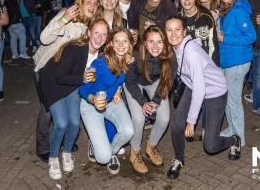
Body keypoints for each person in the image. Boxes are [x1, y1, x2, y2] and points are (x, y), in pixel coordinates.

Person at [164, 15, 241, 180]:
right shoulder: (172, 48)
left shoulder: (191, 53)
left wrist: (192, 120)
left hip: (214, 92)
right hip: (193, 87)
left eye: (177, 29)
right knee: (177, 126)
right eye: (169, 30)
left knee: (211, 146)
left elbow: (200, 88)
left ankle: (234, 140)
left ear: (184, 31)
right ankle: (178, 159)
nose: (173, 34)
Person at [39, 19, 109, 179]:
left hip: (73, 85)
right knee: (61, 123)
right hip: (54, 85)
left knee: (75, 123)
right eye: (96, 33)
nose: (99, 37)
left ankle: (67, 152)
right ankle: (53, 157)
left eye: (104, 34)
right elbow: (60, 77)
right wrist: (83, 78)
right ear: (89, 33)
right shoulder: (75, 49)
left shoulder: (103, 53)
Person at [34, 0, 99, 163]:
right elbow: (44, 38)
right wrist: (64, 19)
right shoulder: (66, 14)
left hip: (69, 74)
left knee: (69, 114)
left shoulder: (91, 26)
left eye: (95, 2)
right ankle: (43, 147)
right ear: (80, 2)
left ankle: (65, 140)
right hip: (47, 69)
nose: (92, 6)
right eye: (88, 2)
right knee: (46, 109)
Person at [79, 28, 134, 175]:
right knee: (102, 158)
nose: (121, 45)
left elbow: (119, 79)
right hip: (90, 105)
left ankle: (113, 152)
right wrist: (93, 100)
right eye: (117, 41)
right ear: (111, 44)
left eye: (125, 41)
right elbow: (82, 90)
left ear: (130, 44)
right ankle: (95, 145)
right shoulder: (99, 64)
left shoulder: (127, 61)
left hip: (111, 102)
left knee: (128, 131)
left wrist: (118, 90)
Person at [123, 25, 176, 174]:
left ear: (164, 43)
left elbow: (168, 81)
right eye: (151, 41)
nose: (155, 46)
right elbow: (130, 82)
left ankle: (151, 146)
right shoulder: (135, 56)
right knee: (139, 118)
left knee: (164, 118)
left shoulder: (170, 56)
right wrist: (142, 102)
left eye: (159, 42)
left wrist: (156, 100)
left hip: (156, 82)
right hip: (134, 83)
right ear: (144, 43)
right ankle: (135, 152)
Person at [212, 0, 256, 146]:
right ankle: (232, 128)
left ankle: (239, 137)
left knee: (233, 100)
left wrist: (225, 38)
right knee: (228, 98)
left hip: (238, 62)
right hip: (228, 60)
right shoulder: (226, 9)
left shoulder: (238, 10)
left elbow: (251, 36)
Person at [177, 0, 219, 66]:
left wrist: (213, 67)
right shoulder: (176, 18)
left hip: (204, 65)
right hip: (184, 66)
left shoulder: (206, 17)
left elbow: (213, 46)